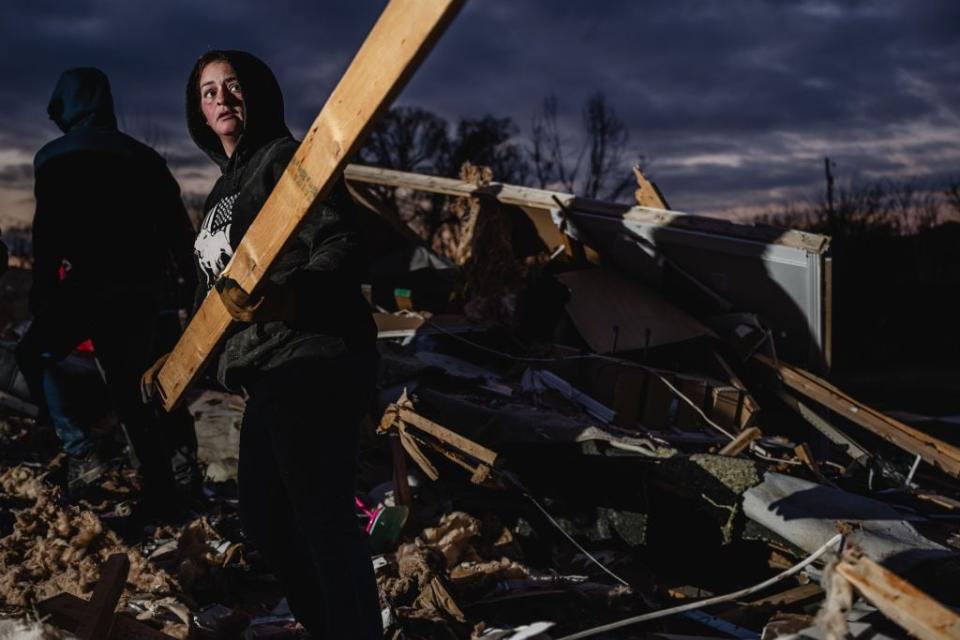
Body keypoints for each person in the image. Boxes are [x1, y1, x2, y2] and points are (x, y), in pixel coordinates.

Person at [143, 50, 381, 638]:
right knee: (266, 521)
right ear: (197, 111)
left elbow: (344, 244)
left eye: (233, 86)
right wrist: (176, 360)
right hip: (266, 375)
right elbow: (212, 301)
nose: (221, 98)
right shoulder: (218, 195)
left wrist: (288, 296)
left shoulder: (288, 161)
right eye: (207, 92)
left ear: (259, 92)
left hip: (315, 355)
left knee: (321, 516)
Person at [17, 67, 198, 505]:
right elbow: (179, 233)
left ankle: (83, 452)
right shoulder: (147, 159)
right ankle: (170, 488)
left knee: (34, 354)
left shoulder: (53, 157)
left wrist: (42, 293)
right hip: (143, 292)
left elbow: (48, 236)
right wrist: (191, 292)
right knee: (136, 394)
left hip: (87, 287)